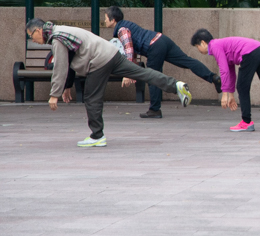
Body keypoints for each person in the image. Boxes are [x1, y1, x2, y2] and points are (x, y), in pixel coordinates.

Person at [27, 19, 192, 147]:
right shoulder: (61, 30)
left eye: (30, 35)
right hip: (112, 53)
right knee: (142, 73)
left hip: (99, 61)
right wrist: (67, 86)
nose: (32, 40)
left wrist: (54, 94)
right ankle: (176, 85)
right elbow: (70, 61)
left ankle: (97, 136)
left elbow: (60, 67)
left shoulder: (57, 38)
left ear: (38, 30)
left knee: (91, 97)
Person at [104, 6, 220, 119]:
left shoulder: (121, 29)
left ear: (113, 19)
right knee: (187, 61)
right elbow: (132, 50)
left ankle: (154, 110)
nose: (104, 20)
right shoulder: (127, 25)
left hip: (154, 47)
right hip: (162, 40)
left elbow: (128, 50)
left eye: (105, 18)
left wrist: (126, 73)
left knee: (152, 76)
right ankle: (213, 78)